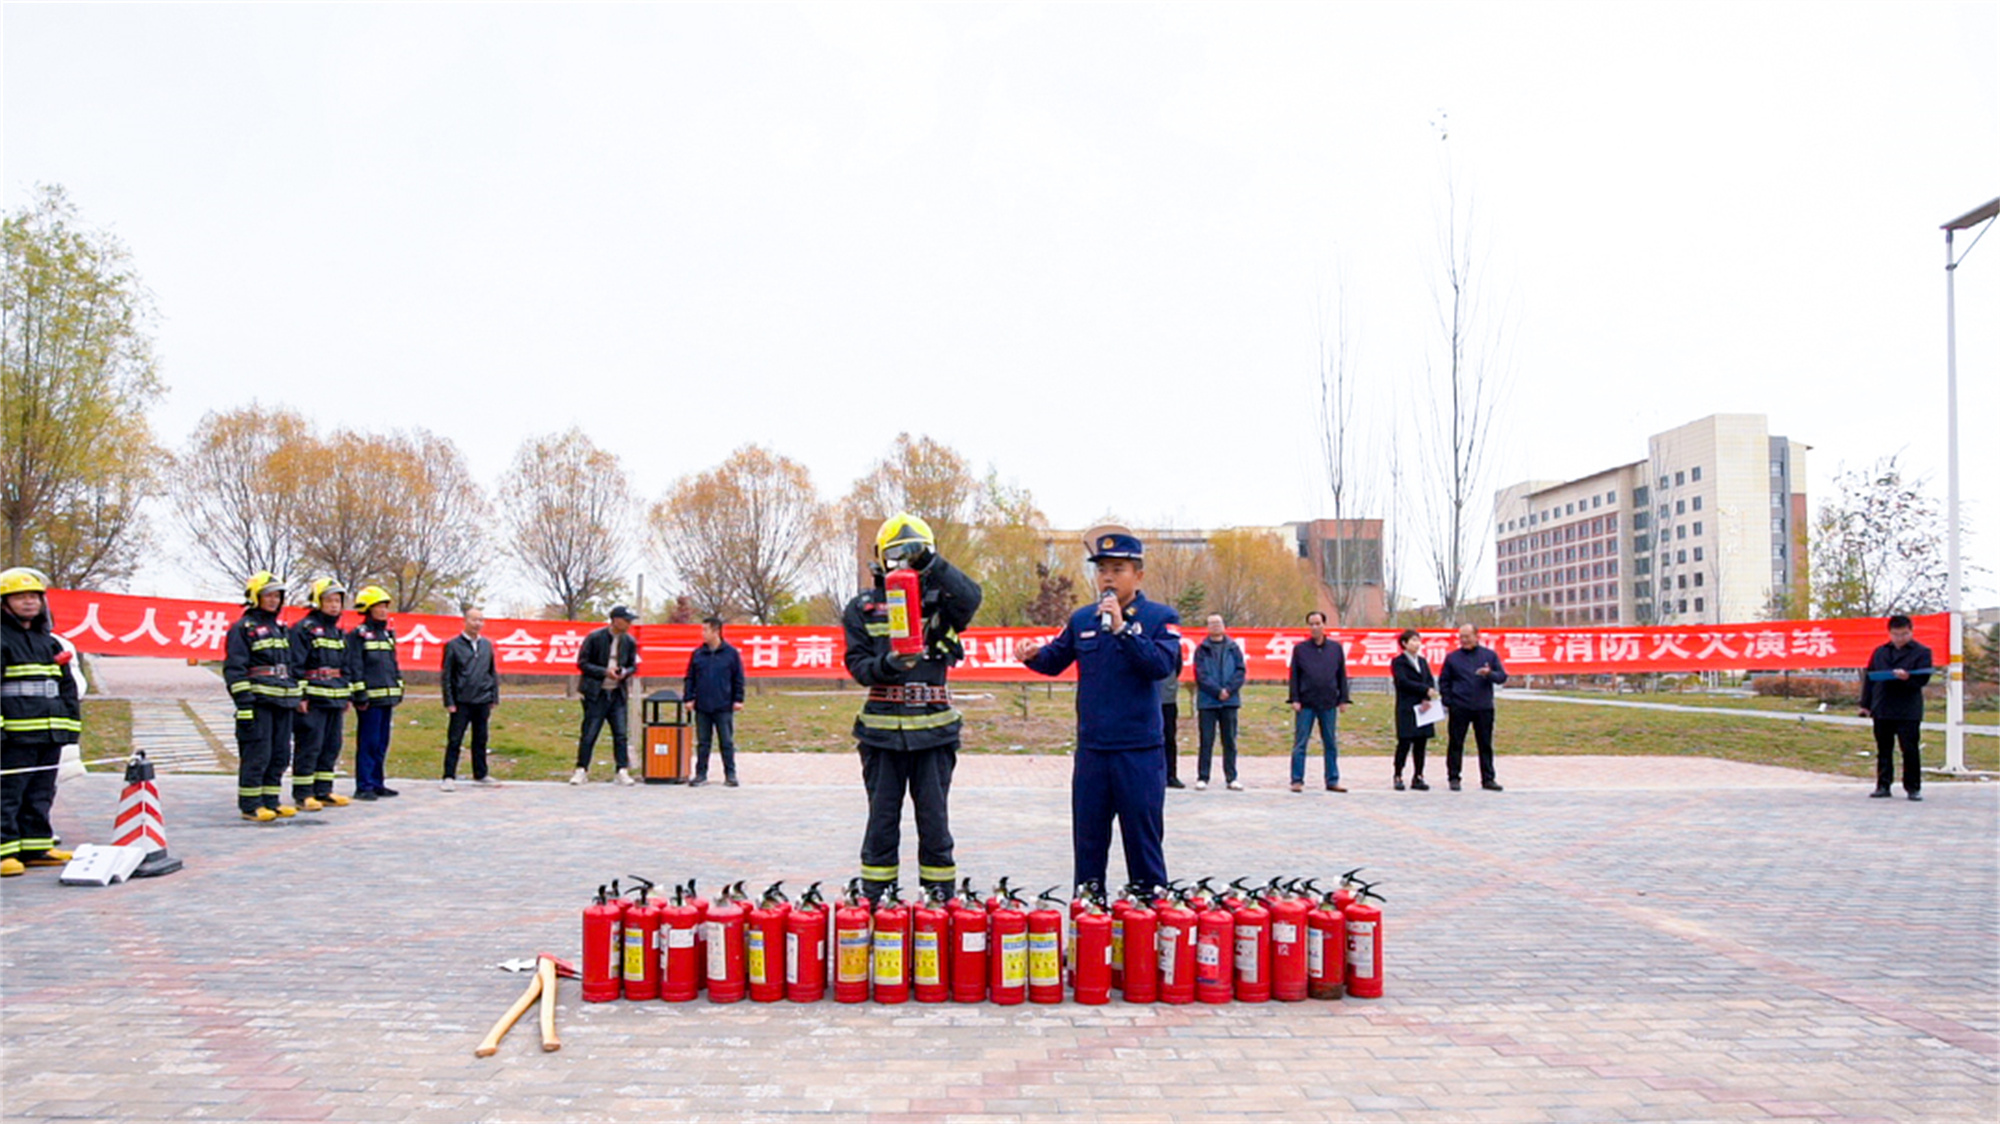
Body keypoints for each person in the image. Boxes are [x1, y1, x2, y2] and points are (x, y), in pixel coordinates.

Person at [1017, 529, 1181, 894]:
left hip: (1138, 751)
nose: (1107, 578)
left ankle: (1147, 912)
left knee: (1143, 844)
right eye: (1102, 569)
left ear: (1138, 575)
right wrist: (1033, 655)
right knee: (1088, 844)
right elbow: (1054, 659)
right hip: (1093, 751)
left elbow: (1160, 666)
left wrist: (1123, 630)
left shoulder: (1160, 617)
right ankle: (1089, 915)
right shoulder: (1083, 619)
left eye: (1118, 569)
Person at [842, 513, 983, 903]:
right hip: (881, 734)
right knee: (881, 824)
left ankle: (938, 901)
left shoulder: (942, 603)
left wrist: (932, 565)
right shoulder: (863, 608)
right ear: (880, 557)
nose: (903, 563)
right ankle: (877, 900)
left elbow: (972, 597)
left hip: (934, 732)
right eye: (896, 555)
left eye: (913, 555)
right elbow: (859, 667)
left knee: (935, 824)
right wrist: (889, 664)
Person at [1, 567, 80, 875]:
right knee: (8, 793)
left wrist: (69, 727)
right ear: (4, 603)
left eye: (34, 596)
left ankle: (35, 847)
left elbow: (66, 687)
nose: (29, 602)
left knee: (40, 792)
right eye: (20, 597)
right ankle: (4, 851)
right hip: (14, 736)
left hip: (48, 735)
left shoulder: (49, 642)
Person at [225, 571, 301, 821]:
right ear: (255, 597)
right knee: (258, 754)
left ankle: (271, 800)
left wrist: (295, 695)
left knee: (280, 754)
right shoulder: (243, 628)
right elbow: (235, 669)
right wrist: (244, 703)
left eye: (277, 596)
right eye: (268, 595)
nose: (273, 600)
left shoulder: (280, 629)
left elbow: (290, 666)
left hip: (283, 702)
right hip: (259, 703)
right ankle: (250, 805)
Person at [289, 578, 354, 810]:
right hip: (313, 700)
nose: (334, 605)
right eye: (329, 601)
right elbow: (295, 665)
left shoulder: (338, 632)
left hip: (335, 697)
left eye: (337, 601)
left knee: (331, 746)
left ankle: (324, 790)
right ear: (317, 602)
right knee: (310, 746)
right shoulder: (303, 629)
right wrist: (301, 696)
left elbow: (346, 665)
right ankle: (303, 793)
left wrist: (346, 695)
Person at [1859, 614, 1934, 801]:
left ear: (1911, 631)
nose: (1900, 638)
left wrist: (1908, 677)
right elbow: (1869, 679)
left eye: (1904, 634)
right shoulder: (1880, 652)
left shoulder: (1922, 652)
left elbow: (1923, 678)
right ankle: (1883, 785)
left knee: (1909, 748)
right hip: (1882, 705)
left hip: (1907, 708)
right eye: (1896, 634)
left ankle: (1913, 788)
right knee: (1884, 748)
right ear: (1889, 633)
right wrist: (1865, 704)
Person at [347, 585, 405, 800]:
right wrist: (359, 694)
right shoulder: (358, 635)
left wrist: (399, 687)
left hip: (386, 698)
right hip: (369, 700)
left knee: (381, 743)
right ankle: (364, 785)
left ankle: (377, 782)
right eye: (378, 607)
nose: (383, 611)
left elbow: (392, 664)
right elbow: (355, 666)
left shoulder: (387, 635)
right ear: (367, 609)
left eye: (384, 607)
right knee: (369, 743)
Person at [573, 605, 640, 786]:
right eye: (626, 620)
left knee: (620, 734)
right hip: (596, 693)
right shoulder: (595, 637)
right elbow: (582, 663)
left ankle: (622, 770)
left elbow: (634, 665)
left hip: (618, 693)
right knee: (589, 733)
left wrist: (624, 672)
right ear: (615, 620)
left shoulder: (629, 641)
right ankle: (581, 769)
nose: (629, 624)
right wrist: (604, 672)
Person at [1438, 623, 1508, 792]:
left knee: (1485, 744)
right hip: (1459, 707)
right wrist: (1449, 701)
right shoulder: (1452, 658)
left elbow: (1502, 677)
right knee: (1456, 743)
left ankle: (1488, 778)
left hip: (1483, 707)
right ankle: (1454, 777)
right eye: (1461, 637)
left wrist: (1489, 674)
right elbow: (1444, 681)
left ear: (1477, 636)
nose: (1464, 640)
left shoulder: (1489, 656)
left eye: (1467, 637)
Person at [1287, 610, 1351, 793]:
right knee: (1300, 743)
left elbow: (1341, 675)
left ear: (1324, 625)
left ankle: (1332, 779)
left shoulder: (1335, 649)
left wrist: (1343, 699)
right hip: (1306, 703)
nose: (1314, 627)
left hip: (1328, 702)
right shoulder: (1300, 649)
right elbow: (1294, 676)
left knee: (1330, 743)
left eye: (1318, 623)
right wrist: (1295, 698)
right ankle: (1297, 780)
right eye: (1311, 624)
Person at [682, 616, 746, 787]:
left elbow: (738, 678)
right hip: (702, 705)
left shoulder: (731, 653)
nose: (703, 633)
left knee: (726, 742)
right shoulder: (698, 654)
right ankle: (701, 774)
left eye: (706, 630)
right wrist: (688, 698)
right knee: (703, 742)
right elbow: (690, 678)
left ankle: (730, 774)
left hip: (723, 704)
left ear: (716, 631)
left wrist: (738, 699)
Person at [440, 607, 499, 791]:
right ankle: (449, 776)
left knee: (481, 738)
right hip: (461, 701)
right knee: (455, 739)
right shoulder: (453, 645)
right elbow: (447, 675)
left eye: (481, 620)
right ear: (465, 621)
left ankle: (481, 773)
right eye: (474, 620)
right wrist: (449, 701)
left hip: (482, 699)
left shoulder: (486, 645)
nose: (477, 623)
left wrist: (494, 696)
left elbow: (492, 672)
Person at [1193, 613, 1245, 791]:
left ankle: (1231, 777)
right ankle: (1203, 777)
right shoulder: (1202, 649)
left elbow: (1240, 671)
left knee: (1229, 740)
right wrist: (1217, 691)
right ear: (1207, 627)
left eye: (1218, 623)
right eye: (1212, 623)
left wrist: (1228, 690)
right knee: (1206, 740)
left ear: (1224, 626)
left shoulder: (1233, 647)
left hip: (1230, 701)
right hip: (1208, 701)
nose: (1215, 626)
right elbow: (1200, 675)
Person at [1389, 628, 1438, 791]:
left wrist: (1427, 696)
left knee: (1421, 742)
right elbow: (1403, 682)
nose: (1417, 644)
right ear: (1404, 643)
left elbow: (1429, 680)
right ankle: (1398, 774)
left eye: (1418, 640)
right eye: (1413, 640)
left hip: (1423, 707)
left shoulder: (1422, 661)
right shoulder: (1398, 662)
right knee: (1404, 742)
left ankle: (1418, 776)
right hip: (1407, 707)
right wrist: (1424, 689)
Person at [1157, 671, 1184, 789]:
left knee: (1169, 738)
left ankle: (1171, 775)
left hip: (1168, 700)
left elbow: (1177, 667)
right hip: (1149, 699)